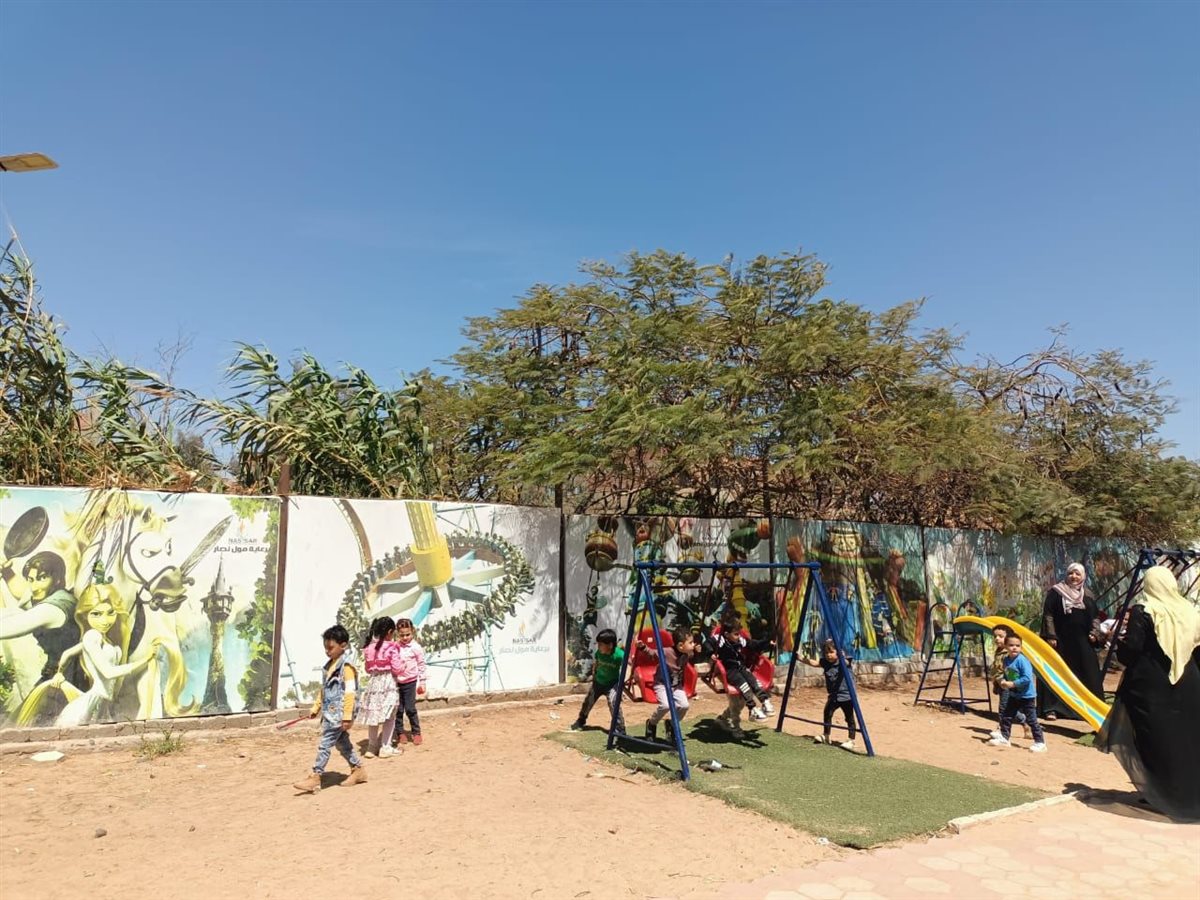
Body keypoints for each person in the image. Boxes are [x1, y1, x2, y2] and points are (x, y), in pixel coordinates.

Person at [1097, 566, 1200, 820]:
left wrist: (1116, 645)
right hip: (1188, 682)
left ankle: (1162, 793)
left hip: (1150, 685)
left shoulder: (1144, 610)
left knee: (1153, 738)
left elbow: (1131, 650)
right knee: (1185, 738)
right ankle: (1186, 793)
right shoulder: (1189, 610)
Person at [293, 625, 367, 793]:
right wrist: (316, 707)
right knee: (342, 743)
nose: (327, 651)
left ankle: (316, 776)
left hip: (338, 715)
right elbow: (324, 690)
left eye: (330, 648)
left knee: (325, 744)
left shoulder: (346, 667)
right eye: (325, 648)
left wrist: (347, 716)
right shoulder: (330, 666)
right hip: (330, 714)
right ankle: (358, 769)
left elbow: (350, 693)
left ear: (343, 645)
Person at [1040, 562, 1103, 720]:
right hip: (1060, 641)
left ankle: (1088, 709)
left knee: (1088, 673)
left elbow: (1095, 617)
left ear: (1083, 576)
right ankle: (1052, 708)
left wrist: (1095, 633)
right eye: (1070, 573)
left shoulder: (1087, 595)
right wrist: (1051, 636)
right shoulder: (1056, 592)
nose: (1073, 577)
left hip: (1082, 641)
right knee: (1057, 672)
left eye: (1077, 574)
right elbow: (1048, 615)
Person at [707, 608, 775, 724]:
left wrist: (767, 642)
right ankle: (752, 708)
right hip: (729, 670)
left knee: (754, 681)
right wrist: (711, 653)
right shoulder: (720, 640)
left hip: (741, 667)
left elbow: (753, 644)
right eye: (736, 634)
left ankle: (765, 701)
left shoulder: (740, 640)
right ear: (727, 634)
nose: (739, 636)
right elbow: (707, 643)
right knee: (744, 687)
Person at [986, 634, 1047, 752]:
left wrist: (1012, 684)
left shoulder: (1022, 661)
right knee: (1007, 716)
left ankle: (1040, 742)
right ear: (1005, 647)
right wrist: (1003, 680)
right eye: (1011, 645)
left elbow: (1027, 678)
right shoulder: (1006, 660)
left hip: (1027, 696)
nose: (1014, 648)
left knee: (1031, 719)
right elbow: (1007, 673)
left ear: (1021, 647)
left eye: (1018, 645)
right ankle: (1004, 738)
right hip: (1014, 695)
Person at [357, 616, 401, 758]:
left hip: (374, 683)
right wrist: (404, 666)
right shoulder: (392, 647)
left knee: (373, 715)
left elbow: (368, 669)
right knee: (390, 716)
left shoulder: (368, 648)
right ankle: (385, 747)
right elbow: (397, 668)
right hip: (388, 683)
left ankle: (371, 747)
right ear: (389, 632)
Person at [803, 639, 857, 750]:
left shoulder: (844, 661)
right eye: (826, 653)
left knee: (849, 717)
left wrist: (842, 657)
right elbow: (814, 663)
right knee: (827, 713)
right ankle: (826, 735)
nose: (828, 655)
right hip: (833, 695)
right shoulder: (826, 663)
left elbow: (846, 663)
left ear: (838, 652)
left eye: (831, 652)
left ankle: (851, 740)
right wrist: (800, 658)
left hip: (846, 695)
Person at [644, 626, 695, 743]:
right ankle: (651, 723)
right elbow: (652, 653)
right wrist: (642, 647)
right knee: (665, 706)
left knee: (684, 706)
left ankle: (671, 724)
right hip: (662, 684)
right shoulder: (667, 652)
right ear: (680, 645)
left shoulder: (686, 653)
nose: (693, 644)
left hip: (676, 686)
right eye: (691, 643)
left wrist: (696, 650)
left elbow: (692, 655)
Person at [570, 628, 625, 734]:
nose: (598, 646)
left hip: (612, 684)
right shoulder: (599, 652)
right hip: (598, 682)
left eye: (600, 644)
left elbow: (629, 663)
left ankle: (620, 730)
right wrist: (593, 675)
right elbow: (597, 662)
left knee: (614, 703)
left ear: (610, 645)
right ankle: (581, 720)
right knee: (588, 701)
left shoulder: (619, 655)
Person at [390, 618, 427, 747]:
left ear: (412, 632)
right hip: (396, 682)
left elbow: (421, 665)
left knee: (410, 709)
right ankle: (400, 732)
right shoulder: (395, 647)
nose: (405, 637)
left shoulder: (416, 648)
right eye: (402, 635)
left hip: (410, 682)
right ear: (397, 633)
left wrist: (422, 682)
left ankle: (416, 732)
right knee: (398, 709)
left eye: (408, 634)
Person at [988, 624, 1027, 740]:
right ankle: (1026, 723)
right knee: (1009, 709)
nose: (997, 639)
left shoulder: (1009, 653)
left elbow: (1011, 671)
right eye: (995, 636)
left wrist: (1011, 684)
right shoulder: (999, 651)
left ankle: (1002, 731)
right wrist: (995, 684)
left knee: (1003, 708)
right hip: (1001, 684)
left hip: (1008, 684)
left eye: (1000, 636)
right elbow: (996, 670)